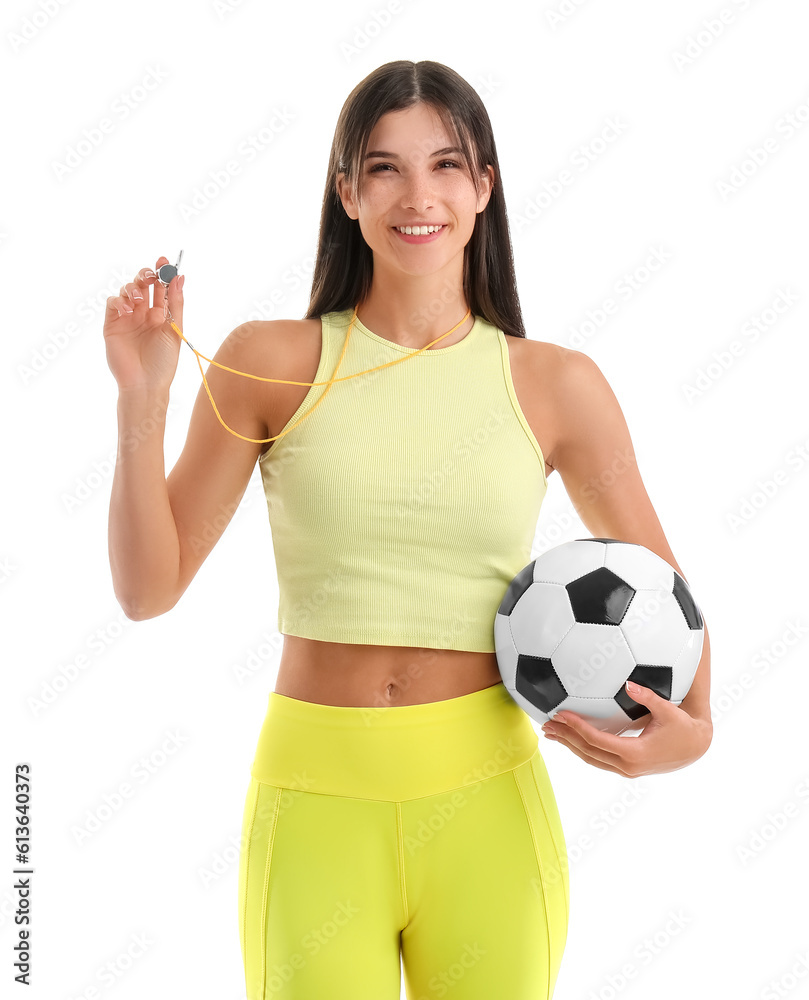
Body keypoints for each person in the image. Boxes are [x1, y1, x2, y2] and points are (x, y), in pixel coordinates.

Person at [105, 59, 712, 1000]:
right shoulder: (271, 362)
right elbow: (149, 591)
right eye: (383, 168)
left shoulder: (554, 384)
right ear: (346, 191)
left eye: (444, 165)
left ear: (483, 187)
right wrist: (143, 399)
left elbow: (666, 594)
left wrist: (695, 735)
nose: (416, 195)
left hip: (487, 805)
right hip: (314, 803)